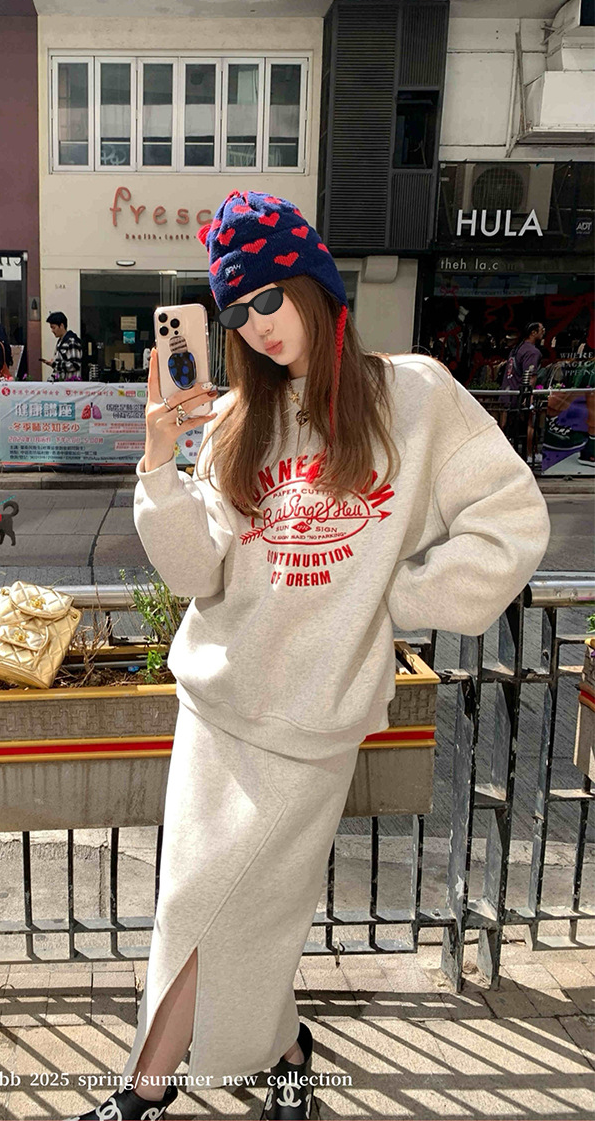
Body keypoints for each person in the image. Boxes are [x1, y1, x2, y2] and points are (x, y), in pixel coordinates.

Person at [71, 190, 551, 1121]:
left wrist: (393, 596)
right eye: (236, 312)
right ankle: (265, 1054)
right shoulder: (231, 421)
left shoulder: (414, 396)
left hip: (315, 719)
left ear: (315, 287)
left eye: (269, 299)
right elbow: (199, 573)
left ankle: (146, 1091)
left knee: (237, 908)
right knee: (201, 904)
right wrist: (158, 466)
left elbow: (512, 522)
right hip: (218, 707)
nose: (257, 327)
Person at [501, 321, 545, 391]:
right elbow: (531, 377)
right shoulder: (532, 352)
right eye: (542, 330)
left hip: (506, 392)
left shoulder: (516, 349)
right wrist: (528, 395)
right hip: (518, 394)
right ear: (533, 333)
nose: (543, 332)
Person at [41, 311, 83, 381]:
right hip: (62, 384)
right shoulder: (60, 342)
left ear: (61, 326)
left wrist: (55, 364)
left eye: (53, 327)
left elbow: (75, 364)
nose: (52, 331)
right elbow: (58, 369)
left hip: (71, 384)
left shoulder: (71, 342)